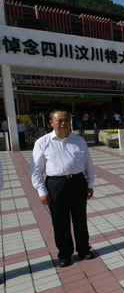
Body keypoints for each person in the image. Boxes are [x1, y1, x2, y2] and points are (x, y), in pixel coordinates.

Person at [30, 110, 96, 267]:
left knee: (80, 218)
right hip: (56, 184)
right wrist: (42, 191)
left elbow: (88, 164)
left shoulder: (79, 140)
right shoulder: (43, 142)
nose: (64, 123)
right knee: (60, 221)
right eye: (59, 120)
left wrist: (90, 184)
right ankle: (65, 254)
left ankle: (83, 250)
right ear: (51, 123)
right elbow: (36, 170)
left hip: (78, 182)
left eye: (67, 120)